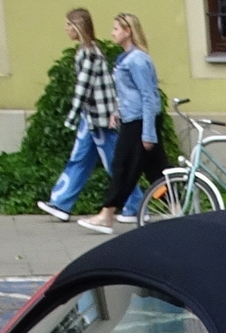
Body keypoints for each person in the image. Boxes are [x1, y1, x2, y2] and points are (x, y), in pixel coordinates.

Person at [78, 14, 158, 232]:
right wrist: (117, 111)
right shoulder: (126, 58)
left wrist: (148, 133)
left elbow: (148, 96)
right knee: (157, 171)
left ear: (128, 31)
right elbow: (126, 92)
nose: (112, 33)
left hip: (140, 122)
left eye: (115, 29)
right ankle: (181, 208)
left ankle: (107, 214)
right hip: (132, 118)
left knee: (122, 167)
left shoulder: (138, 60)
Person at [38, 9, 118, 222]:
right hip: (92, 117)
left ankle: (134, 203)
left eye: (68, 25)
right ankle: (61, 203)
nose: (65, 29)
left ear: (78, 27)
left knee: (114, 163)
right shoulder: (88, 50)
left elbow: (84, 88)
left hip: (99, 118)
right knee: (81, 158)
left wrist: (72, 117)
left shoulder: (89, 53)